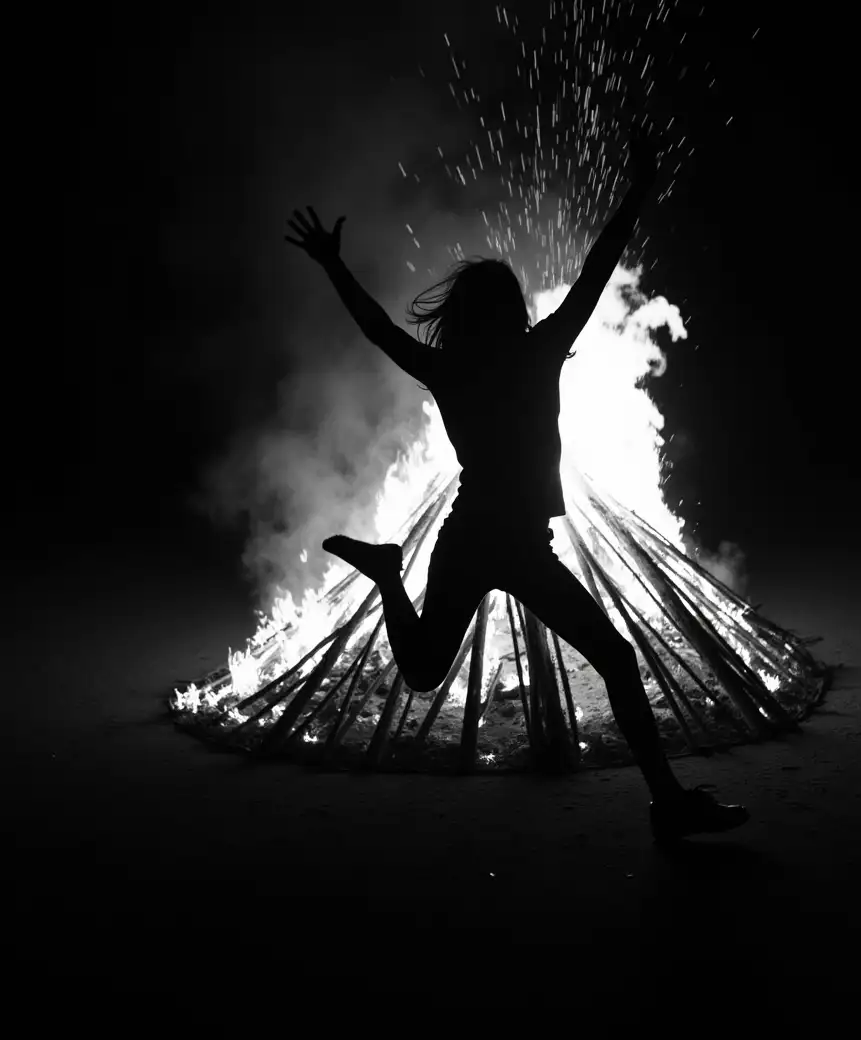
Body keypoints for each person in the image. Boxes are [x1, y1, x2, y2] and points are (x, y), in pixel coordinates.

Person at [285, 128, 749, 843]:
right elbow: (594, 272)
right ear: (506, 313)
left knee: (449, 669)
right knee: (431, 671)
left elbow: (382, 329)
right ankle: (385, 575)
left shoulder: (463, 368)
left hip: (491, 540)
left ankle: (668, 803)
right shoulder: (535, 354)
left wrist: (333, 267)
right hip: (496, 541)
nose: (518, 313)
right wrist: (636, 190)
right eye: (510, 305)